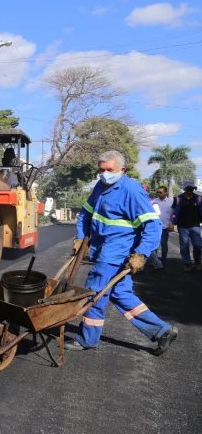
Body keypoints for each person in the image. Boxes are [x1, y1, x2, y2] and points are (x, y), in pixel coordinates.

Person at [67, 150, 178, 355]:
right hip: (102, 247)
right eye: (101, 170)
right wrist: (81, 237)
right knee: (121, 294)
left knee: (94, 293)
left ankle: (87, 339)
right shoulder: (101, 186)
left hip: (116, 251)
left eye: (110, 170)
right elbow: (86, 213)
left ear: (122, 170)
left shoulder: (131, 191)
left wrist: (141, 254)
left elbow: (152, 225)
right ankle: (162, 330)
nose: (104, 174)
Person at [171, 181, 202, 272]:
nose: (190, 191)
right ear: (184, 189)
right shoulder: (177, 199)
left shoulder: (199, 198)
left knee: (197, 245)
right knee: (184, 246)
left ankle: (198, 262)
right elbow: (173, 211)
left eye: (192, 189)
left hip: (195, 226)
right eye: (188, 189)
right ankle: (187, 263)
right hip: (182, 226)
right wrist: (172, 222)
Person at [148, 186, 173, 270]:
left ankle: (163, 261)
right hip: (154, 227)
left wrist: (171, 223)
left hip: (165, 227)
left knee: (164, 245)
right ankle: (155, 261)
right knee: (154, 245)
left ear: (166, 192)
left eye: (160, 192)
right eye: (157, 192)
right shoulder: (153, 202)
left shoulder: (170, 202)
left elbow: (172, 214)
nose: (158, 194)